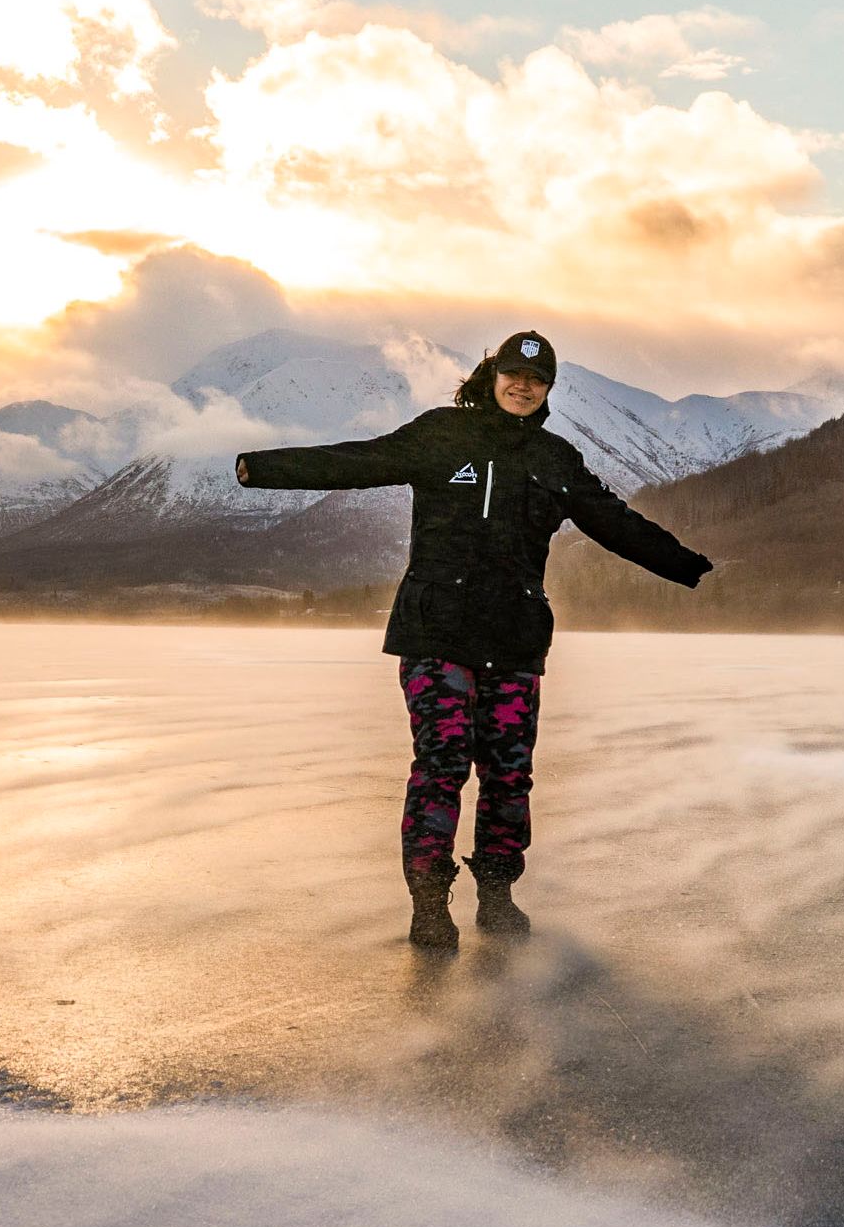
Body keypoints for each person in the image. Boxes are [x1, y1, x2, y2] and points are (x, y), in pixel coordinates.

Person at [233, 330, 711, 948]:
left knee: (510, 772)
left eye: (537, 380)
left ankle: (497, 891)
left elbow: (614, 522)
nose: (523, 386)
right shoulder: (443, 435)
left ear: (548, 391)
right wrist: (262, 468)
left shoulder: (555, 459)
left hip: (514, 639)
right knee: (442, 763)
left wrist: (687, 566)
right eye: (513, 374)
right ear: (492, 376)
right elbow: (360, 460)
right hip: (437, 634)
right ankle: (429, 902)